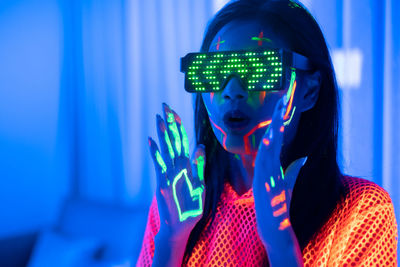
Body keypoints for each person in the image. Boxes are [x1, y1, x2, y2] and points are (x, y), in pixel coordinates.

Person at [137, 0, 398, 266]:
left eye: (260, 70)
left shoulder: (359, 210)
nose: (232, 90)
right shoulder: (178, 202)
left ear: (310, 90)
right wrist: (172, 238)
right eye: (214, 72)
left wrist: (281, 244)